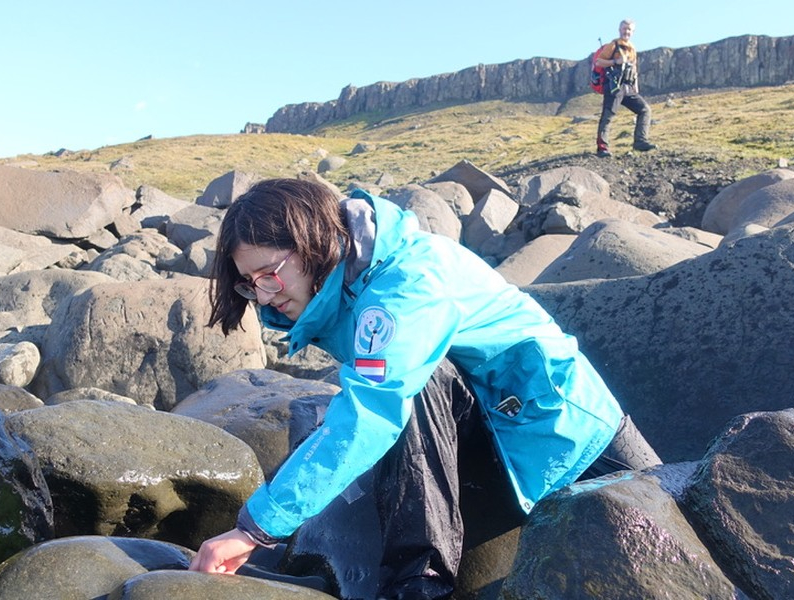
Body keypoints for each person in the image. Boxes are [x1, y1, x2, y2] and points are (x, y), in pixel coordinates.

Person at [190, 178, 660, 599]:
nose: (266, 296)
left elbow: (373, 412)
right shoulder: (347, 283)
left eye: (270, 275)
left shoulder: (407, 283)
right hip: (498, 439)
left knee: (678, 537)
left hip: (573, 435)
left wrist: (256, 530)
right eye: (251, 285)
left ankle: (419, 586)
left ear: (316, 241)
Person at [593, 18, 656, 158]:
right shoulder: (613, 45)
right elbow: (598, 62)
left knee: (645, 109)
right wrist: (615, 61)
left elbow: (633, 69)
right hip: (614, 85)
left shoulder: (632, 48)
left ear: (633, 32)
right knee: (608, 115)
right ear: (619, 30)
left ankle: (640, 142)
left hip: (628, 87)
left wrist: (635, 87)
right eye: (624, 29)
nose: (626, 31)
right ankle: (602, 147)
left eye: (629, 29)